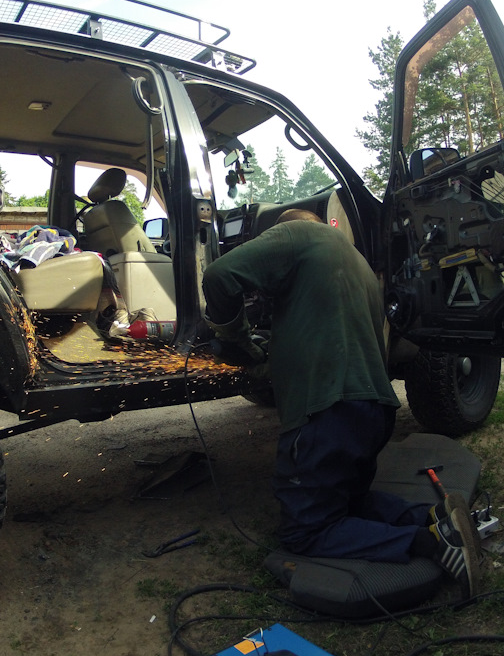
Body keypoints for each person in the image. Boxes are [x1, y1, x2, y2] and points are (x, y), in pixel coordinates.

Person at [202, 208, 482, 597]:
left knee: (306, 531)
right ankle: (434, 517)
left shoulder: (296, 233)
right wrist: (267, 362)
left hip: (328, 414)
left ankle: (432, 547)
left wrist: (235, 337)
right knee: (349, 502)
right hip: (373, 411)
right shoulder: (359, 265)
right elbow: (328, 344)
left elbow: (218, 277)